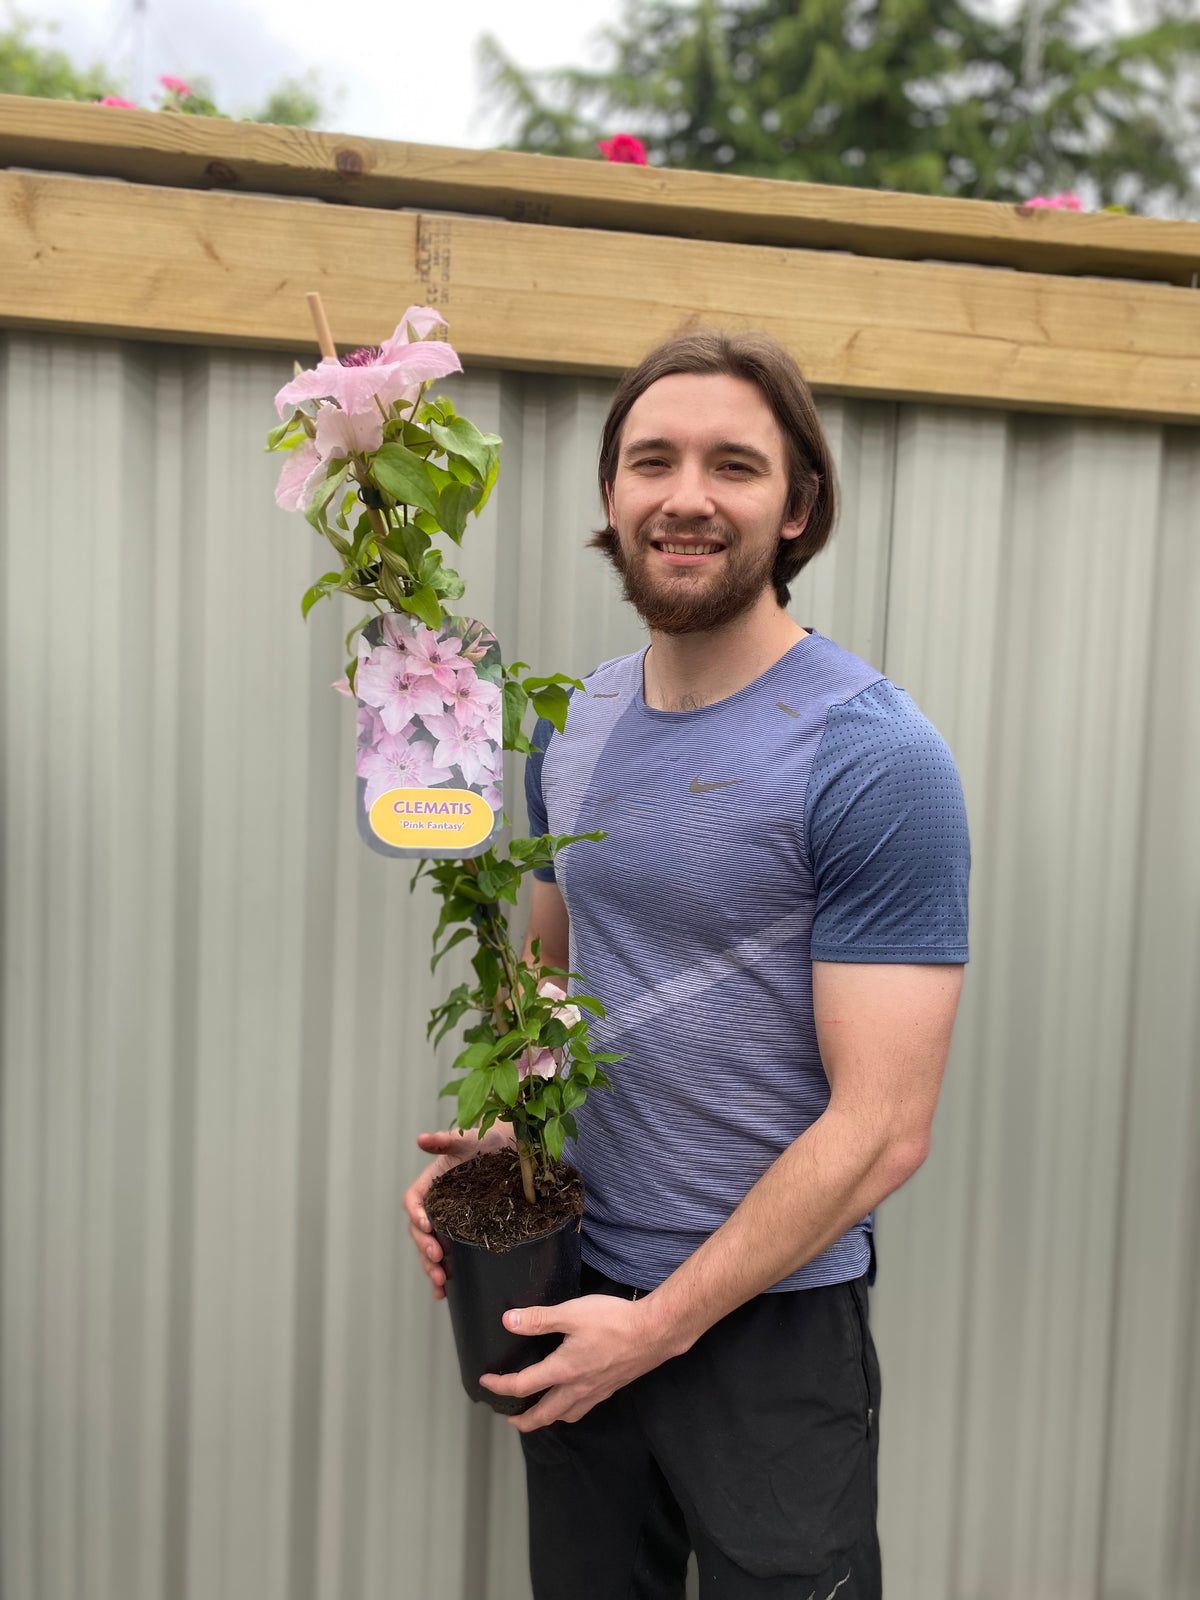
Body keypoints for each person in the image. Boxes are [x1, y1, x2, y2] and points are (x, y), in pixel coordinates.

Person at [404, 328, 970, 1600]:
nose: (687, 495)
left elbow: (884, 1128)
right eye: (651, 460)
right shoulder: (574, 721)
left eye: (734, 464)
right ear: (612, 495)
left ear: (799, 503)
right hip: (577, 1286)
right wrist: (498, 1141)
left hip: (768, 1330)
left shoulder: (873, 753)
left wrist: (655, 1331)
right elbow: (547, 980)